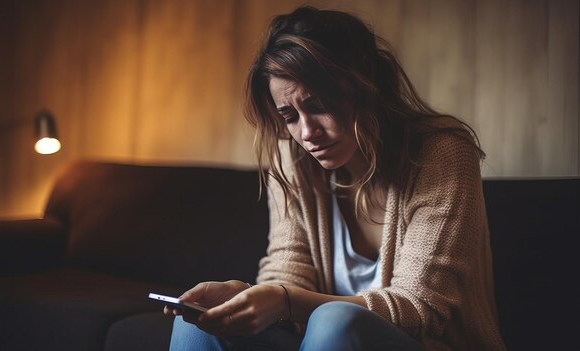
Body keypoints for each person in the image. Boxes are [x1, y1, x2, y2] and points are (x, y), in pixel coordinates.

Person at [165, 6, 506, 351]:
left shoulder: (443, 154)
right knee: (196, 323)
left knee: (335, 321)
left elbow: (420, 309)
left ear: (366, 86)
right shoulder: (292, 161)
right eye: (289, 116)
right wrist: (247, 298)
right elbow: (288, 271)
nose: (307, 132)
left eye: (318, 105)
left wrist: (285, 301)